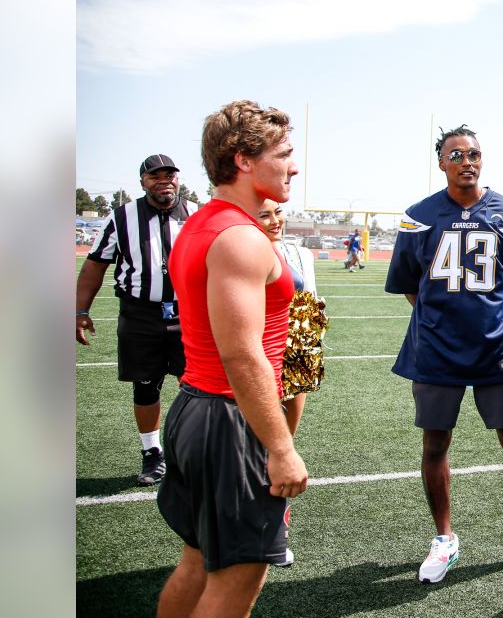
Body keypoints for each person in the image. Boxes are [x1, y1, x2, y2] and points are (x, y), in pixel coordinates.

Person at [385, 124, 503, 585]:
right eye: (456, 154)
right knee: (435, 442)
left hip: (496, 345)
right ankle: (444, 538)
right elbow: (407, 284)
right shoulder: (419, 216)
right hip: (436, 349)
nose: (467, 161)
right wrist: (444, 320)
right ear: (441, 162)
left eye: (474, 153)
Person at [156, 100, 309, 617]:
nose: (293, 165)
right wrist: (281, 446)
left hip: (196, 406)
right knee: (234, 582)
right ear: (243, 160)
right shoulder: (241, 237)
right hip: (227, 417)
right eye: (284, 154)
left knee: (197, 564)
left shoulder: (203, 223)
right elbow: (242, 357)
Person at [75, 154, 198, 486]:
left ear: (178, 179)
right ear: (143, 181)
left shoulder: (197, 214)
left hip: (189, 312)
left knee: (198, 384)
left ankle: (194, 450)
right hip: (140, 312)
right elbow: (95, 264)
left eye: (169, 174)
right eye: (154, 175)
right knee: (145, 385)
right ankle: (152, 452)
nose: (163, 180)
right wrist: (80, 310)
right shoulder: (121, 217)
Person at [257, 199, 318, 436]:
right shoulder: (239, 252)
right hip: (258, 338)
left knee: (294, 396)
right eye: (265, 215)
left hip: (295, 336)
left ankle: (284, 449)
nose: (275, 221)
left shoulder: (300, 254)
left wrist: (309, 342)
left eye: (278, 212)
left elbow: (309, 299)